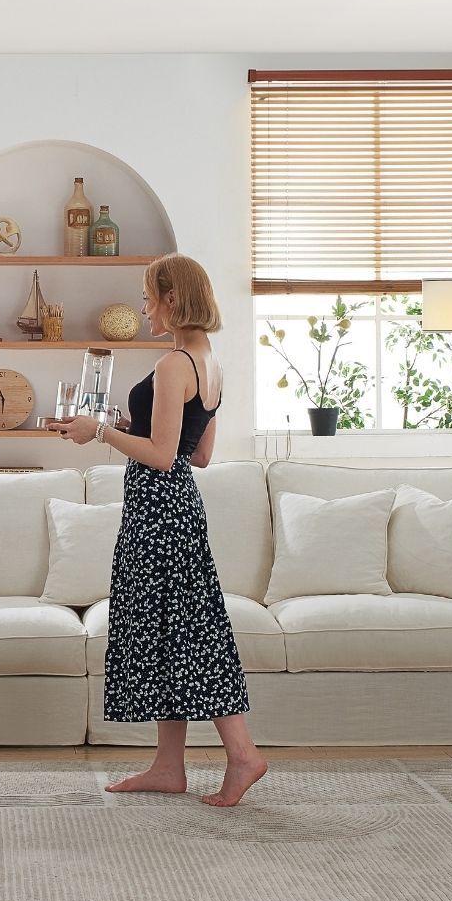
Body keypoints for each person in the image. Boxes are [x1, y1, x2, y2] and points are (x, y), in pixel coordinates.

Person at [51, 253, 267, 808]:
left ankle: (243, 756)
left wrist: (99, 431)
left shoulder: (175, 366)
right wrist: (122, 427)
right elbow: (202, 453)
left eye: (149, 297)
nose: (144, 308)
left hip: (159, 513)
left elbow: (165, 456)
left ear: (173, 298)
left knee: (192, 633)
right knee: (176, 634)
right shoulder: (207, 362)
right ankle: (169, 767)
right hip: (178, 509)